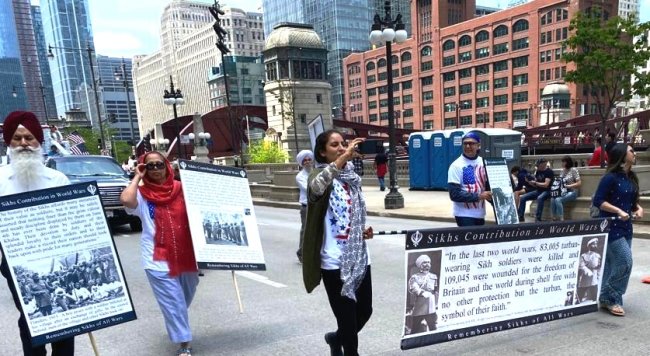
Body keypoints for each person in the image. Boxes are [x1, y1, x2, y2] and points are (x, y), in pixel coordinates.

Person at [0, 111, 75, 355]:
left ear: (39, 141)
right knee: (31, 315)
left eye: (29, 138)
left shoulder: (58, 180)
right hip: (17, 264)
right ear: (8, 142)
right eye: (17, 138)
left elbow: (72, 220)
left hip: (54, 256)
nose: (24, 144)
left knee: (64, 315)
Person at [302, 130, 374, 356]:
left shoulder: (352, 178)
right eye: (335, 145)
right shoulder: (317, 176)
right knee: (347, 318)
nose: (342, 148)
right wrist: (342, 159)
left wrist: (361, 231)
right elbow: (316, 189)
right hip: (334, 262)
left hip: (359, 256)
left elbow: (351, 215)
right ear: (323, 153)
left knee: (364, 311)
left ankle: (336, 338)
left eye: (343, 144)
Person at [120, 151, 199, 356]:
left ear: (167, 166)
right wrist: (137, 176)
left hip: (186, 254)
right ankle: (185, 344)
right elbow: (126, 201)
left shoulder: (183, 189)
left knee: (183, 298)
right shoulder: (141, 193)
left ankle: (176, 319)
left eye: (159, 164)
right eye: (149, 166)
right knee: (173, 301)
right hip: (157, 258)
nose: (155, 169)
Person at [593, 143, 644, 316]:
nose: (634, 153)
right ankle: (610, 297)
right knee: (625, 261)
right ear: (622, 155)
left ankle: (605, 296)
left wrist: (638, 208)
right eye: (631, 151)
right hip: (609, 226)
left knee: (612, 264)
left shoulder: (631, 177)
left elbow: (633, 200)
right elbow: (598, 201)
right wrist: (618, 210)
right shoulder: (610, 178)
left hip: (625, 227)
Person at [447, 132, 491, 226]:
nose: (467, 146)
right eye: (465, 143)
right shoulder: (456, 165)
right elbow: (454, 194)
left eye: (471, 143)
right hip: (464, 215)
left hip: (480, 213)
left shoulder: (483, 162)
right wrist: (479, 196)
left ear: (478, 145)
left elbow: (487, 188)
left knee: (479, 240)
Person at [407, 254, 438, 333]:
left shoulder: (434, 277)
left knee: (433, 328)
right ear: (420, 265)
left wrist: (437, 304)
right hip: (420, 306)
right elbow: (413, 287)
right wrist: (422, 292)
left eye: (428, 262)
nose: (427, 264)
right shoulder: (415, 277)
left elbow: (436, 291)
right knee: (415, 328)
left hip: (431, 306)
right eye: (424, 262)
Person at [517, 158, 553, 222]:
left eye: (538, 165)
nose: (537, 167)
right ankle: (521, 216)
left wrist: (536, 183)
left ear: (543, 164)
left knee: (540, 198)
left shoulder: (549, 172)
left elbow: (546, 184)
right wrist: (529, 182)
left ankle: (538, 218)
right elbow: (536, 184)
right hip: (538, 190)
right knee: (523, 197)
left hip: (547, 191)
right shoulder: (538, 171)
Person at [295, 149, 314, 263]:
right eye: (304, 160)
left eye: (309, 159)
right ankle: (301, 252)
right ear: (302, 163)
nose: (307, 162)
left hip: (316, 205)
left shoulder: (316, 172)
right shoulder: (300, 176)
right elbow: (309, 189)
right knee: (306, 230)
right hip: (306, 206)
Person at [550, 156, 582, 221]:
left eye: (563, 162)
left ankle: (561, 218)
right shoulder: (562, 171)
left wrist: (569, 186)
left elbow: (579, 183)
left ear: (568, 162)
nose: (562, 163)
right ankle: (553, 217)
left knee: (558, 200)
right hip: (563, 191)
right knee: (552, 198)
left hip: (573, 191)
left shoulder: (573, 170)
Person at [577, 238, 601, 302]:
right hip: (585, 277)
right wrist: (588, 272)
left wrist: (599, 276)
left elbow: (598, 267)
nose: (595, 246)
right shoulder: (584, 255)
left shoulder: (597, 256)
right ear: (589, 246)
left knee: (594, 294)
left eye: (596, 244)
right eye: (593, 244)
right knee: (580, 294)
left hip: (594, 277)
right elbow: (581, 265)